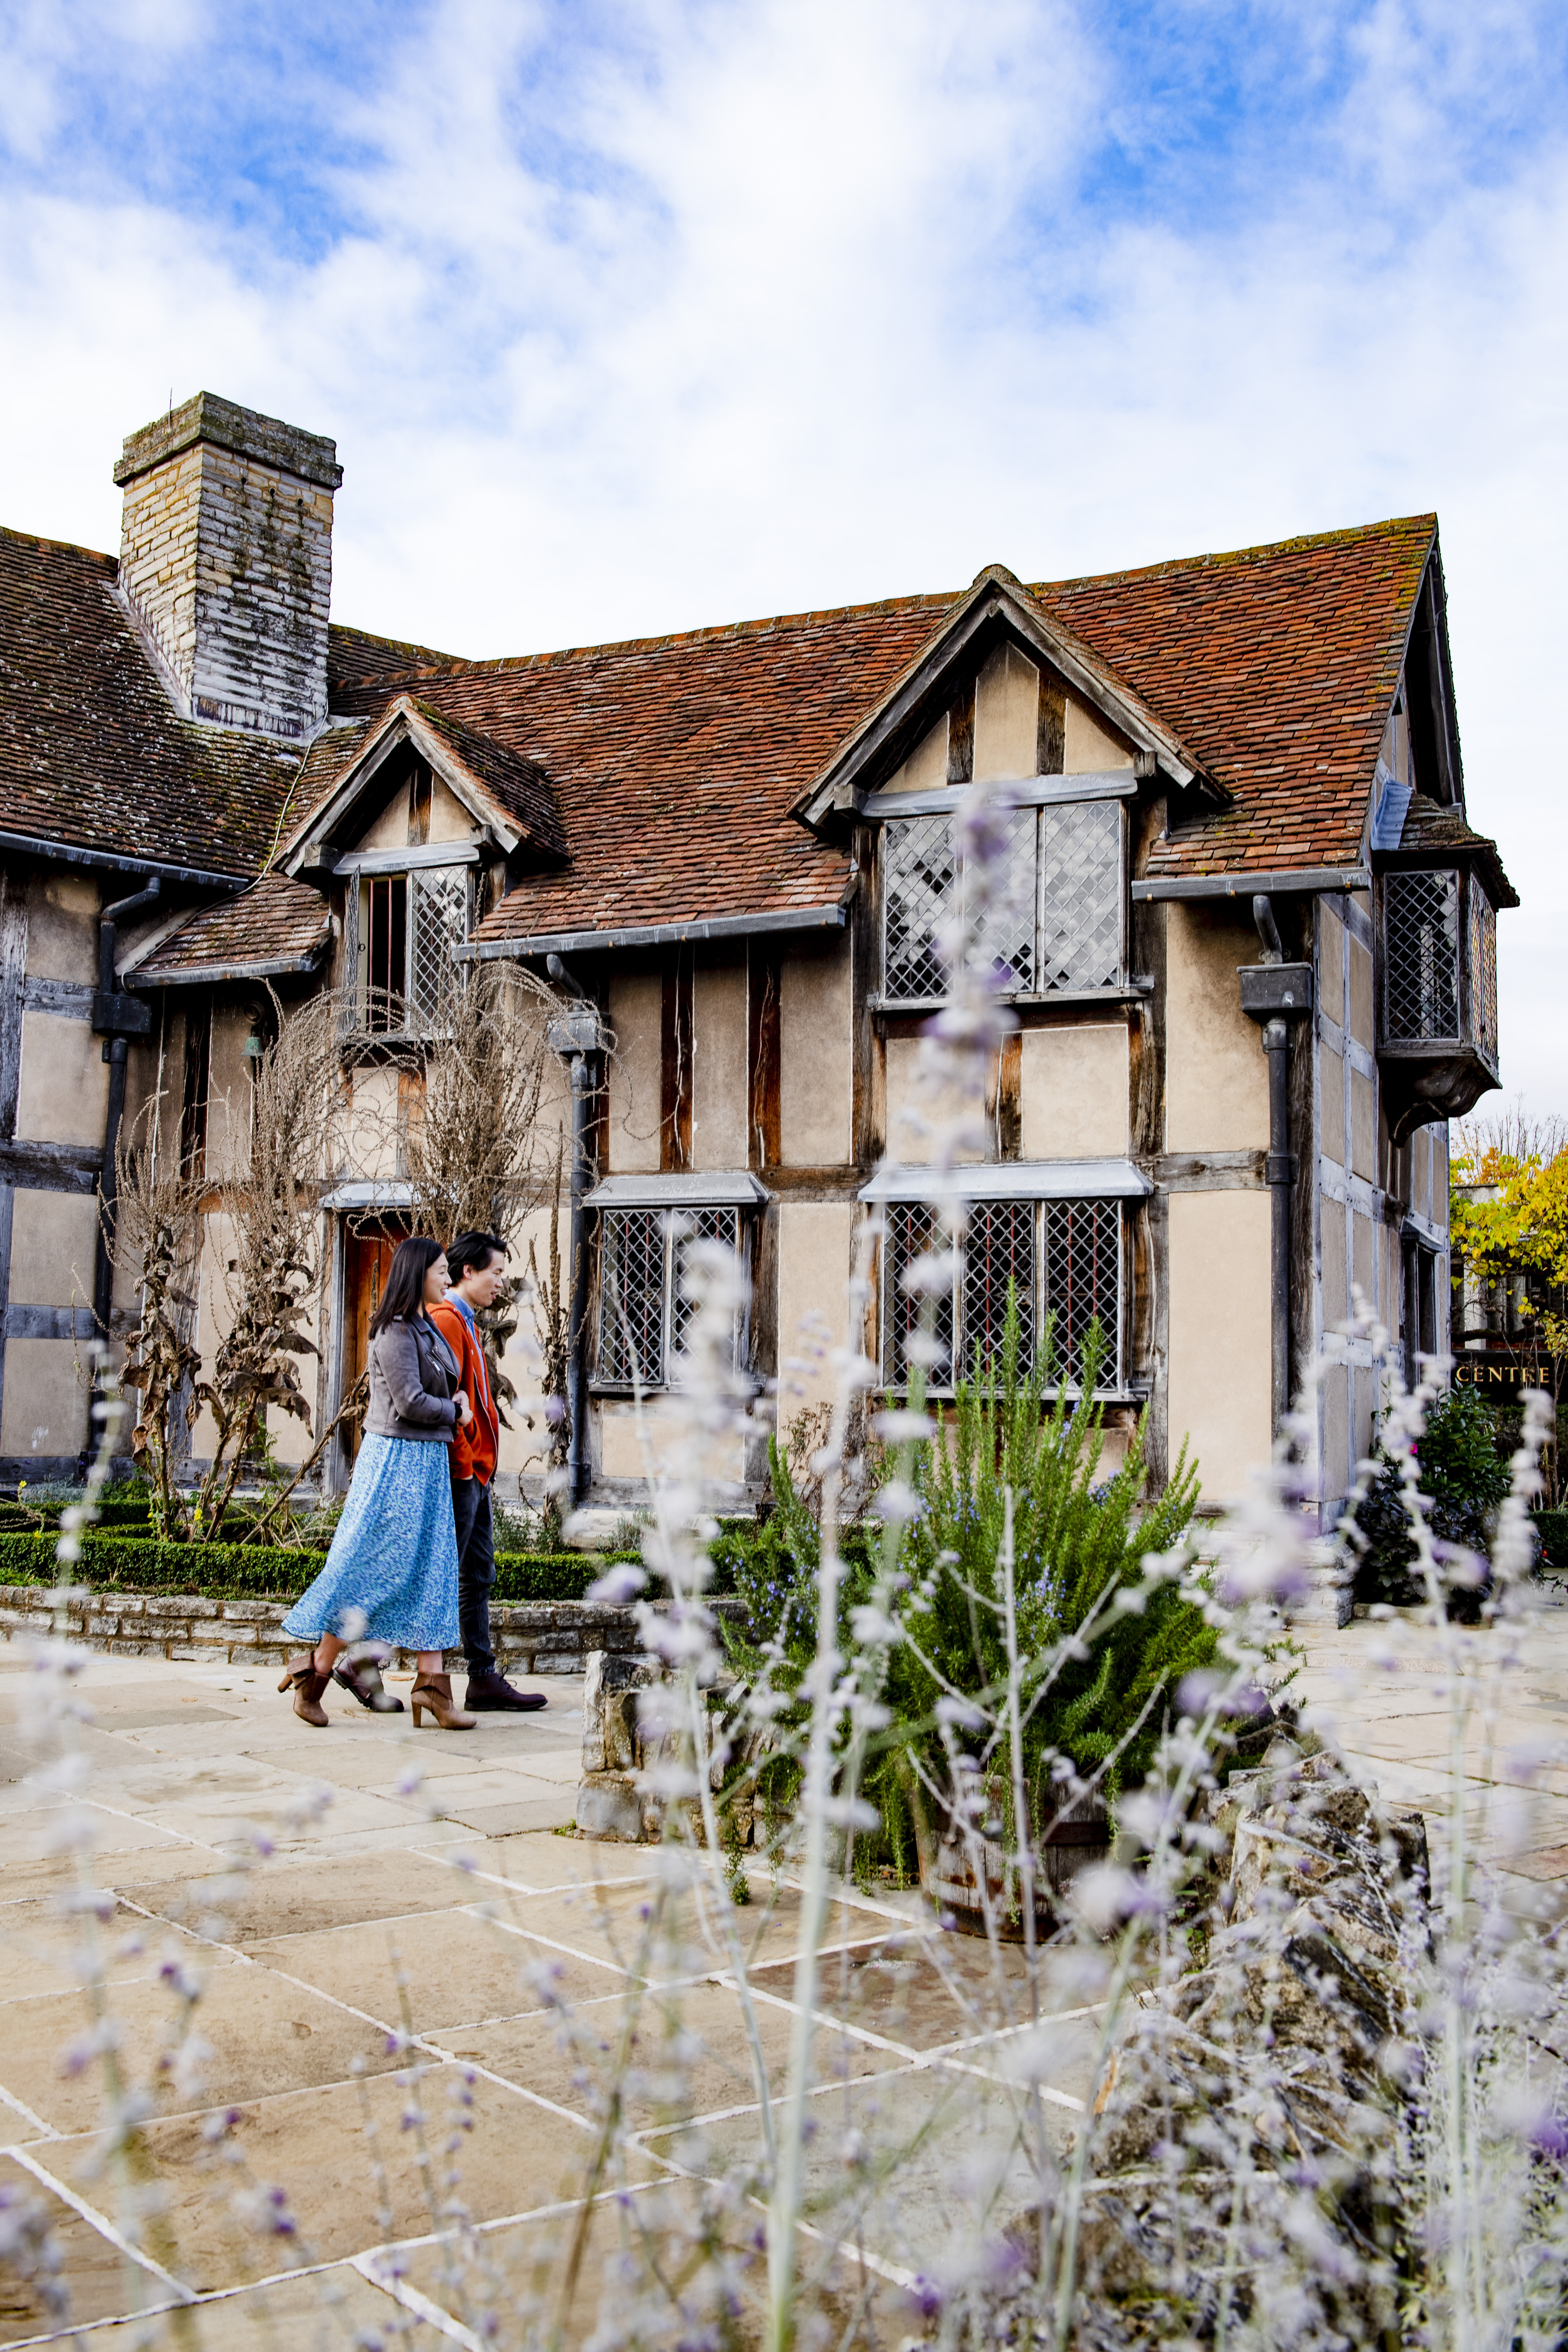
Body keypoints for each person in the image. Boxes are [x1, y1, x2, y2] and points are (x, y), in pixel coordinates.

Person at [277, 1236, 478, 1732]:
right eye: (440, 1270)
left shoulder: (425, 1326)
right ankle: (316, 1674)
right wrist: (455, 1411)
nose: (447, 1278)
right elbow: (409, 1401)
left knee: (433, 1569)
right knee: (367, 1568)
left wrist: (451, 1407)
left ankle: (432, 1686)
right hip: (395, 1463)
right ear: (416, 1273)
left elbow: (438, 1385)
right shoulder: (392, 1331)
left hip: (427, 1463)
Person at [430, 1231, 548, 1713]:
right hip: (464, 1473)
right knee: (440, 1575)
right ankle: (357, 1657)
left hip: (476, 1473)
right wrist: (465, 1462)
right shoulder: (447, 1320)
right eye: (496, 1272)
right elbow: (447, 1399)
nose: (502, 1281)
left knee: (477, 1573)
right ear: (468, 1272)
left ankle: (482, 1676)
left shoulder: (466, 1320)